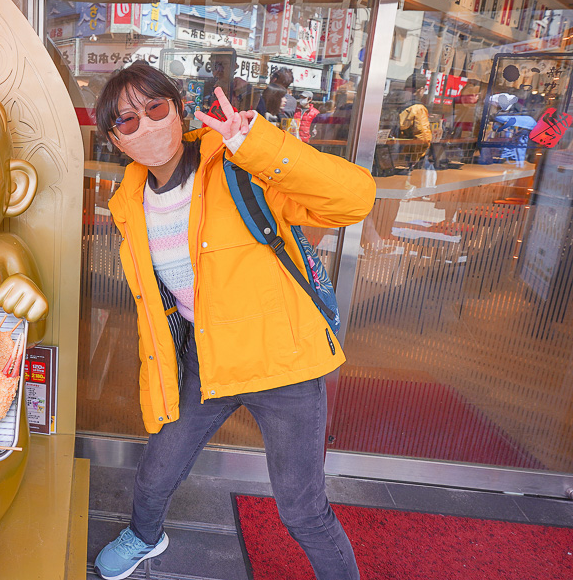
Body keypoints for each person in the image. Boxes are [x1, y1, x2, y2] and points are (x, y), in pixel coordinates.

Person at [91, 62, 375, 580]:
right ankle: (144, 537)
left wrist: (257, 146)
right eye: (128, 121)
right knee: (155, 472)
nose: (148, 126)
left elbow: (354, 199)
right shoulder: (129, 201)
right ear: (114, 138)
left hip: (282, 363)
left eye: (155, 108)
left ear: (178, 108)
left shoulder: (239, 166)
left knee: (302, 509)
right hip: (207, 361)